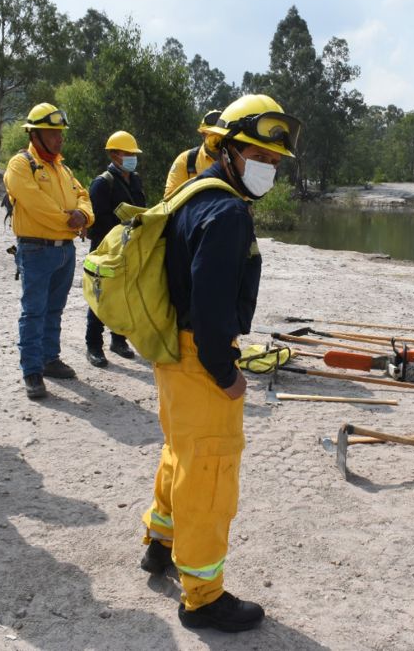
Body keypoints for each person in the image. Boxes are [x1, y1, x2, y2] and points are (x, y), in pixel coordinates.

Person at [139, 94, 301, 633]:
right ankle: (203, 597)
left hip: (171, 354)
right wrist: (227, 374)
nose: (269, 168)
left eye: (275, 161)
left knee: (179, 453)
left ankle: (160, 543)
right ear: (227, 149)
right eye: (260, 155)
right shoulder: (227, 211)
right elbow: (210, 311)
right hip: (199, 358)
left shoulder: (191, 193)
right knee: (208, 474)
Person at [3, 103, 94, 399]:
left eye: (60, 133)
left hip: (64, 251)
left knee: (54, 309)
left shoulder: (62, 168)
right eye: (52, 133)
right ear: (35, 133)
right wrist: (71, 221)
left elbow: (83, 195)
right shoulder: (21, 165)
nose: (59, 139)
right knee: (34, 312)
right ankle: (32, 371)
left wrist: (84, 214)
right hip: (36, 250)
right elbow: (36, 205)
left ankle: (49, 358)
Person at [85, 131, 147, 366]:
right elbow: (97, 220)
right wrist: (121, 223)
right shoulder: (102, 183)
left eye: (134, 153)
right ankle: (93, 345)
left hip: (130, 248)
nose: (132, 157)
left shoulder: (136, 179)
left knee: (125, 297)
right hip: (106, 251)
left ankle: (118, 340)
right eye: (127, 153)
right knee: (100, 298)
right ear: (113, 154)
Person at [162, 110, 221, 199]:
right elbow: (170, 199)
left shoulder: (235, 162)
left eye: (220, 134)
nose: (216, 138)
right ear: (203, 134)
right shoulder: (186, 160)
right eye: (211, 133)